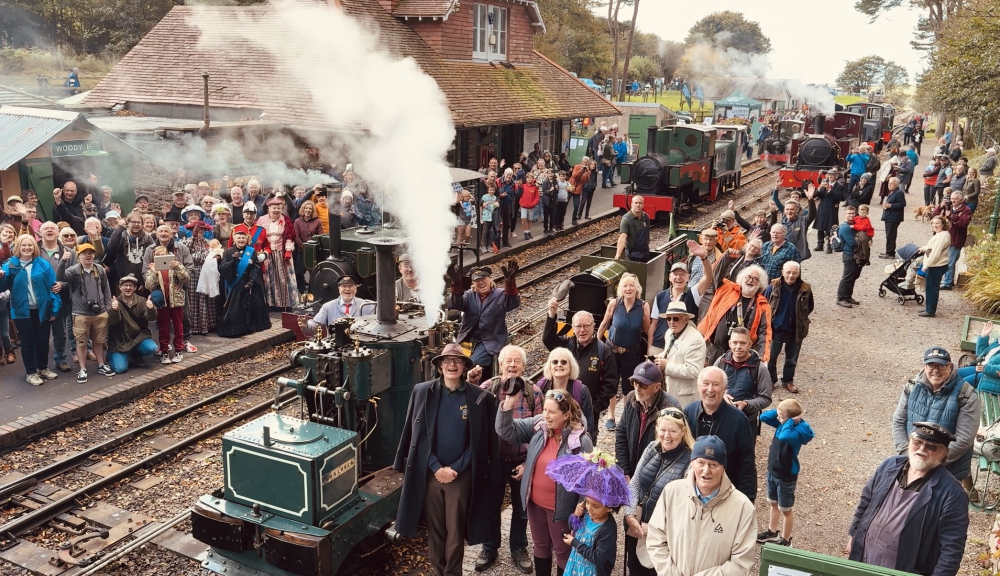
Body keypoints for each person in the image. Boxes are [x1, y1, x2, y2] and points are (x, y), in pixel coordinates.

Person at [393, 343, 499, 576]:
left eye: (457, 361)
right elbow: (414, 435)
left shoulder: (480, 398)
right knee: (436, 529)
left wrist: (456, 469)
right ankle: (437, 571)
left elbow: (480, 442)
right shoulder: (422, 391)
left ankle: (453, 573)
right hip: (431, 474)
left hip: (461, 476)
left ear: (464, 366)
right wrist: (435, 467)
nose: (452, 365)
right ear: (439, 366)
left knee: (455, 531)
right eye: (447, 361)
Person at [847, 422, 969, 576]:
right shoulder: (888, 466)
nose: (921, 449)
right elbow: (865, 501)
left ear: (944, 453)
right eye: (917, 442)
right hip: (864, 560)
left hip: (906, 570)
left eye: (931, 446)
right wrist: (854, 534)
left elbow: (952, 549)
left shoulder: (952, 494)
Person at [496, 386, 594, 575]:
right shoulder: (539, 427)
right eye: (545, 410)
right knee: (540, 546)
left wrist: (581, 507)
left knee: (563, 551)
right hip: (535, 504)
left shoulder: (580, 441)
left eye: (552, 412)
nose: (546, 416)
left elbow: (589, 479)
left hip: (561, 510)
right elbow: (505, 430)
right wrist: (507, 405)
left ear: (566, 415)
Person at [645, 436, 756, 576]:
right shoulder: (672, 492)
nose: (706, 471)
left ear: (723, 468)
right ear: (692, 463)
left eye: (713, 465)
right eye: (701, 463)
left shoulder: (743, 508)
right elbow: (656, 539)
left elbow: (741, 563)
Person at [474, 346, 542, 573]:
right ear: (500, 365)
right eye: (508, 361)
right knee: (491, 505)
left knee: (521, 507)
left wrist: (527, 463)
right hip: (494, 460)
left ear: (524, 366)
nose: (512, 365)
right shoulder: (487, 388)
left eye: (517, 361)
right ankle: (489, 547)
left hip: (521, 459)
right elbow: (476, 426)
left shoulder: (534, 393)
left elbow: (540, 434)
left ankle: (518, 547)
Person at [891, 346, 980, 495]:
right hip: (913, 462)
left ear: (950, 366)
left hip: (947, 469)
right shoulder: (912, 387)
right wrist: (908, 454)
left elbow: (965, 438)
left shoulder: (966, 395)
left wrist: (932, 462)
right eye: (931, 365)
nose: (936, 370)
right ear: (925, 366)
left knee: (937, 513)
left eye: (941, 365)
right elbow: (898, 422)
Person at [622, 406, 694, 576]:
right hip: (638, 526)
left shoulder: (691, 460)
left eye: (672, 431)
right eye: (662, 430)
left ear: (683, 431)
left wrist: (655, 528)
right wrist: (629, 515)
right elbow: (635, 484)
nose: (666, 436)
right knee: (635, 569)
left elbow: (686, 507)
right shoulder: (651, 448)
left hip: (665, 538)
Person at [684, 367, 757, 501]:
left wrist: (746, 499)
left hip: (725, 494)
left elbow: (747, 464)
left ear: (724, 389)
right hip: (692, 492)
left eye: (716, 384)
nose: (710, 389)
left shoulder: (739, 420)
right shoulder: (689, 411)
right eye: (706, 384)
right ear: (699, 387)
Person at [543, 302, 617, 432]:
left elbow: (610, 385)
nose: (582, 330)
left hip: (587, 415)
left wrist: (593, 407)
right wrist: (551, 314)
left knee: (584, 449)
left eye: (586, 326)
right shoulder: (566, 344)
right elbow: (548, 339)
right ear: (573, 327)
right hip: (560, 413)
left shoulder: (603, 351)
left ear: (593, 326)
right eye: (578, 326)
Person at [2, 235, 60, 386]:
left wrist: (54, 308)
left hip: (42, 310)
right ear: (18, 247)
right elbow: (3, 288)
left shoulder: (43, 264)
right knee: (28, 343)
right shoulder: (10, 266)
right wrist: (1, 278)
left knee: (43, 341)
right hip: (22, 312)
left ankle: (42, 368)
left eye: (30, 245)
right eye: (23, 245)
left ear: (34, 247)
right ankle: (31, 372)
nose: (27, 248)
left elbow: (53, 287)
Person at [757, 399, 814, 547]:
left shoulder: (796, 431)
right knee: (773, 503)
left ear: (791, 420)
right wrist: (780, 411)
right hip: (773, 471)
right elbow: (763, 417)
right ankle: (771, 530)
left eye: (781, 417)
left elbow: (784, 437)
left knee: (786, 510)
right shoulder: (783, 423)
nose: (777, 419)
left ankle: (785, 539)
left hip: (786, 476)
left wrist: (789, 421)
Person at [448, 263, 520, 381]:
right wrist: (456, 282)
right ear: (473, 283)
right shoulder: (469, 295)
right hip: (467, 340)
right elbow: (455, 304)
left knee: (473, 363)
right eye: (477, 280)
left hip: (489, 342)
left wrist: (510, 282)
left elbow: (513, 302)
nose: (481, 282)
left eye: (483, 278)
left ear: (490, 279)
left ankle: (470, 387)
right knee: (451, 362)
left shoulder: (500, 294)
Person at [597, 273, 650, 431]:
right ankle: (611, 416)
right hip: (612, 350)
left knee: (630, 385)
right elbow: (605, 323)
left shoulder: (643, 306)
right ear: (621, 289)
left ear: (637, 289)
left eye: (631, 285)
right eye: (625, 286)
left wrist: (652, 350)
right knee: (612, 383)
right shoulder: (614, 303)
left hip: (632, 352)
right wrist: (595, 343)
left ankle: (627, 416)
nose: (628, 288)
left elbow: (647, 330)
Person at [556, 450, 623, 576]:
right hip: (575, 566)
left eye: (596, 506)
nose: (590, 508)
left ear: (609, 507)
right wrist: (575, 516)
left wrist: (574, 543)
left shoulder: (608, 529)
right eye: (587, 502)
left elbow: (598, 558)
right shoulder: (586, 513)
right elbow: (572, 527)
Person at [615, 359, 681, 477]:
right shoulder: (631, 398)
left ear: (657, 387)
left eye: (643, 384)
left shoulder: (670, 408)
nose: (637, 388)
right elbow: (621, 434)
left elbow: (672, 451)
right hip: (630, 470)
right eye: (635, 382)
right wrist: (624, 471)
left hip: (653, 476)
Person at [59, 242, 114, 382]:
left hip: (100, 312)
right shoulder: (74, 270)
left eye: (90, 253)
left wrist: (107, 309)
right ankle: (82, 369)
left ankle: (101, 365)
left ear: (94, 255)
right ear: (79, 256)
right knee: (81, 342)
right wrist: (63, 261)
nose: (88, 256)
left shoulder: (100, 269)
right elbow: (60, 277)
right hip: (81, 313)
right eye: (84, 253)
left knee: (99, 340)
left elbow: (106, 289)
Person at [648, 243, 713, 355]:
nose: (678, 277)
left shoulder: (693, 293)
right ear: (670, 277)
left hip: (681, 349)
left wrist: (704, 258)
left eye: (682, 274)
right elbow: (654, 323)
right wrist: (649, 348)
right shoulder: (660, 296)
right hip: (658, 347)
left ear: (688, 277)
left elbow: (708, 278)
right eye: (675, 274)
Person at [698, 265, 772, 364]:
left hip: (741, 354)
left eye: (755, 279)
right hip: (717, 349)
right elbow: (714, 275)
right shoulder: (727, 289)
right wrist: (727, 258)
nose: (751, 281)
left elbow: (764, 332)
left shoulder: (763, 304)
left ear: (760, 284)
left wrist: (763, 356)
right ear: (742, 278)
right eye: (748, 277)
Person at [764, 261, 813, 393]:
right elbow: (764, 304)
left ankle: (788, 381)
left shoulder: (805, 289)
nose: (791, 275)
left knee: (792, 358)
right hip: (775, 330)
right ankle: (770, 380)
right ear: (782, 272)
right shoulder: (773, 287)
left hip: (796, 330)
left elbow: (810, 307)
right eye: (788, 272)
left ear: (799, 273)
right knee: (771, 357)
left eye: (794, 273)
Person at [217, 224, 271, 338]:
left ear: (247, 239)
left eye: (243, 238)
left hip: (249, 284)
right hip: (234, 284)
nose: (241, 240)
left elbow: (256, 267)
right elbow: (222, 267)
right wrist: (233, 262)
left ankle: (251, 327)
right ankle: (237, 329)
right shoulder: (228, 252)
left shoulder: (251, 251)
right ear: (234, 239)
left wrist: (251, 281)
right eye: (238, 238)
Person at [652, 301, 707, 408]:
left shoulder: (695, 340)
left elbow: (694, 370)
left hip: (685, 397)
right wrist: (660, 357)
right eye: (668, 319)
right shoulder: (669, 333)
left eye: (675, 318)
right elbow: (671, 352)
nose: (671, 322)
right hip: (669, 391)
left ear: (685, 319)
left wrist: (666, 366)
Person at [714, 327, 772, 427]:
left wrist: (746, 404)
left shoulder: (760, 368)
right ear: (730, 343)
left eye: (742, 343)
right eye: (735, 342)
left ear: (750, 344)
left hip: (746, 421)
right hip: (719, 417)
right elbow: (708, 386)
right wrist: (721, 395)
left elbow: (766, 398)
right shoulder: (721, 362)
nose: (738, 347)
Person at [537, 347, 598, 441]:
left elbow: (589, 423)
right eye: (555, 362)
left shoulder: (581, 390)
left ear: (571, 366)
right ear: (549, 366)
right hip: (545, 438)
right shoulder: (541, 386)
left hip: (572, 441)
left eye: (564, 362)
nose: (559, 365)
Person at [106, 275, 158, 373]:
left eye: (131, 285)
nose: (128, 288)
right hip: (120, 342)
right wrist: (115, 310)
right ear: (120, 287)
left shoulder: (142, 301)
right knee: (120, 369)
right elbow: (113, 322)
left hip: (138, 338)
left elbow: (151, 318)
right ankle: (111, 355)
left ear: (135, 288)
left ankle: (134, 354)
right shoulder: (114, 302)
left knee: (152, 348)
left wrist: (151, 309)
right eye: (125, 285)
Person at [300, 275, 374, 335]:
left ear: (356, 289)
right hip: (335, 348)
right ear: (339, 289)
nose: (347, 289)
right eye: (344, 286)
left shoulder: (367, 306)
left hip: (360, 348)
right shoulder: (328, 307)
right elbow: (315, 323)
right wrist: (306, 325)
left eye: (350, 286)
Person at [181, 221, 217, 333]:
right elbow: (185, 255)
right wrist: (193, 238)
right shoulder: (186, 242)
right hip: (193, 272)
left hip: (206, 272)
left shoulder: (207, 243)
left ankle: (207, 325)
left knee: (205, 297)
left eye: (202, 230)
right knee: (193, 298)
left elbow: (214, 254)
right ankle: (193, 326)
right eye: (197, 230)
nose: (199, 233)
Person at [933, 190, 971, 291]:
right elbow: (935, 215)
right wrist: (941, 206)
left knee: (950, 262)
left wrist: (952, 216)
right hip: (944, 238)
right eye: (952, 199)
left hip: (956, 239)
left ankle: (948, 283)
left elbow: (963, 223)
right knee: (944, 260)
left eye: (956, 199)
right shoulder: (948, 207)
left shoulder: (966, 210)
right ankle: (946, 280)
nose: (953, 201)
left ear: (961, 199)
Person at [916, 216, 951, 318]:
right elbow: (932, 247)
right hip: (936, 265)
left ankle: (930, 311)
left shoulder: (943, 236)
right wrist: (924, 248)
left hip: (936, 266)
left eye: (937, 223)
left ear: (943, 224)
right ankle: (928, 308)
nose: (935, 225)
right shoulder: (940, 234)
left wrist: (926, 265)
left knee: (932, 289)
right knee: (930, 288)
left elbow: (935, 253)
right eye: (933, 223)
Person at [805, 172, 847, 253]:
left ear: (836, 176)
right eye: (829, 175)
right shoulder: (824, 184)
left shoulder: (840, 186)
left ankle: (829, 246)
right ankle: (820, 245)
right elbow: (816, 195)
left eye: (832, 175)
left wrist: (829, 189)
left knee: (830, 229)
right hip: (822, 208)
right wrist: (820, 187)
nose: (830, 177)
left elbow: (838, 197)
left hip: (831, 209)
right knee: (820, 228)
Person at [836, 205, 866, 308]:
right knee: (847, 277)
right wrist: (865, 242)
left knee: (854, 276)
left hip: (856, 255)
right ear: (844, 214)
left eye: (853, 213)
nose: (851, 215)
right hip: (849, 255)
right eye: (849, 213)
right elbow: (853, 243)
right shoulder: (845, 227)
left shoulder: (854, 224)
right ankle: (841, 298)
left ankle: (848, 296)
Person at [771, 189, 811, 260]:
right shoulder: (785, 213)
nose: (794, 198)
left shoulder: (804, 213)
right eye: (793, 197)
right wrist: (776, 188)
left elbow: (812, 215)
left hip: (796, 246)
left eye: (796, 197)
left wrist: (810, 199)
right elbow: (775, 199)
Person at [614, 196, 650, 262]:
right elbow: (622, 237)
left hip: (645, 252)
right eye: (636, 203)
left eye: (640, 203)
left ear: (643, 205)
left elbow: (647, 233)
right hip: (633, 254)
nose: (638, 205)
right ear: (631, 204)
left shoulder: (645, 217)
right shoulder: (626, 219)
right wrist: (618, 254)